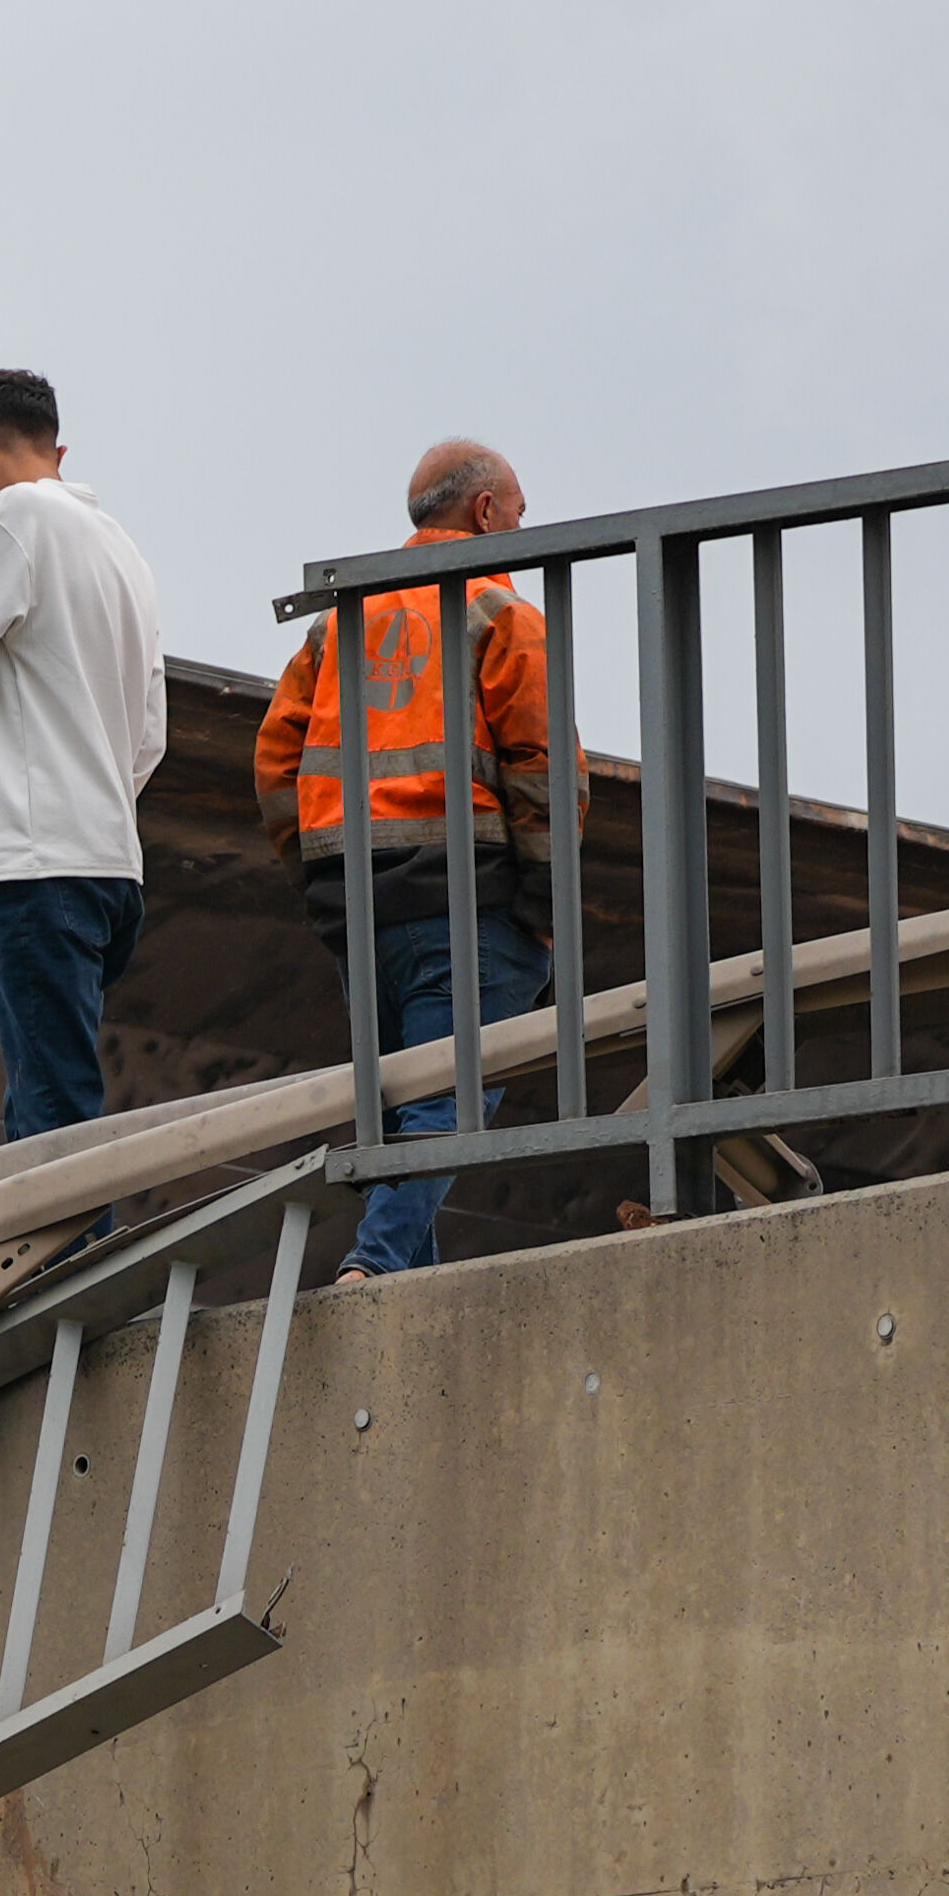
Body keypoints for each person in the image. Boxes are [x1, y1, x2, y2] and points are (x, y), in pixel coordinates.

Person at [254, 438, 548, 1278]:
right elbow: (542, 773)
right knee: (448, 1104)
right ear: (486, 512)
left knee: (400, 1114)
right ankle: (374, 1269)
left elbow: (275, 759)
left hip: (358, 902)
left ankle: (399, 1280)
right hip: (471, 903)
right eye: (522, 511)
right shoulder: (500, 613)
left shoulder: (342, 619)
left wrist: (317, 872)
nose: (525, 529)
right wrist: (546, 909)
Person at [0, 366, 168, 1144]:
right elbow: (150, 734)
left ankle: (69, 1264)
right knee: (52, 1083)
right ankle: (53, 1255)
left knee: (51, 1111)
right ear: (59, 447)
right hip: (109, 863)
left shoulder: (16, 517)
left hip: (38, 860)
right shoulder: (122, 545)